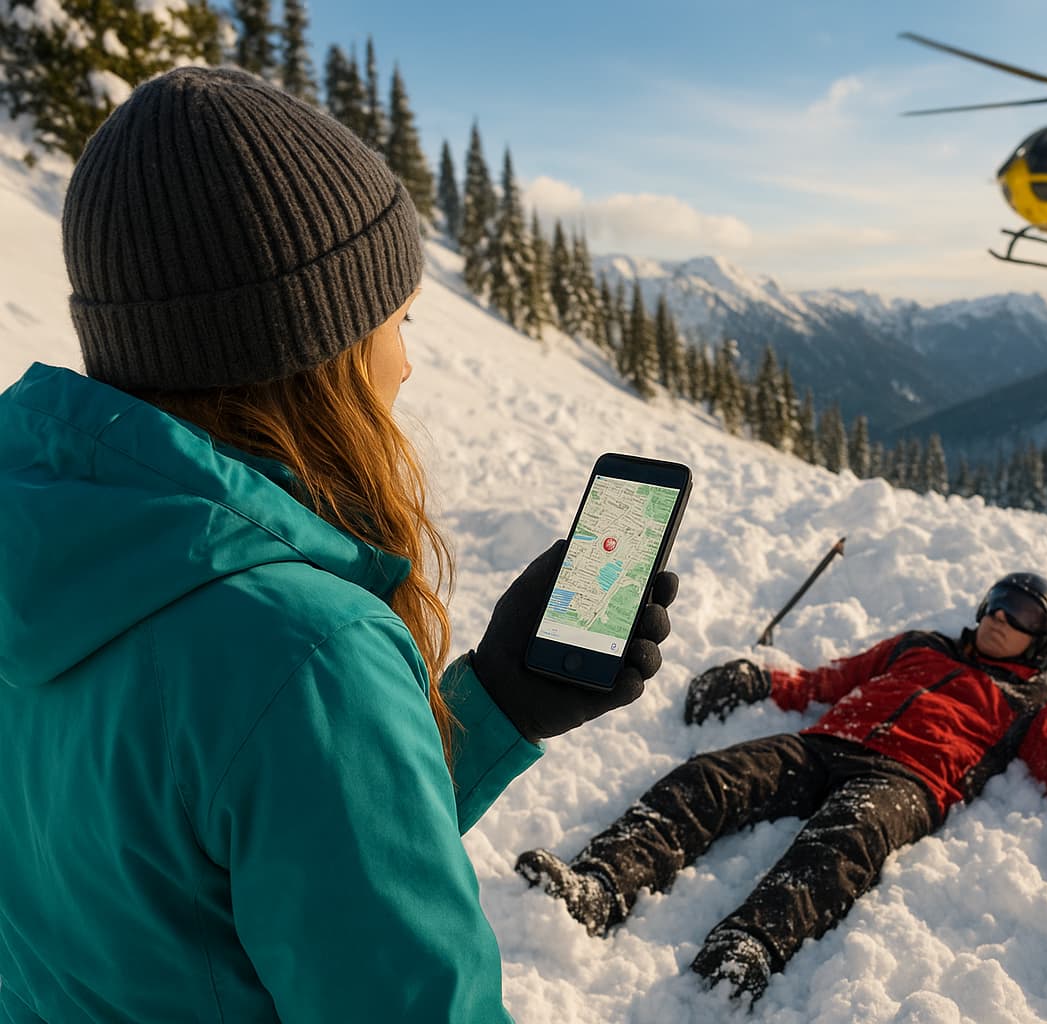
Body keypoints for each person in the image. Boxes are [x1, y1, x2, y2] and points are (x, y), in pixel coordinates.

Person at [0, 67, 677, 1023]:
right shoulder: (306, 655)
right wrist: (360, 697)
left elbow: (209, 879)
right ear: (315, 350)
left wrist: (493, 707)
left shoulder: (34, 553)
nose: (409, 356)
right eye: (397, 319)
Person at [517, 572, 1047, 1005]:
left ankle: (751, 945)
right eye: (999, 602)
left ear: (1044, 638)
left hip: (909, 780)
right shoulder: (919, 646)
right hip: (824, 744)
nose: (1001, 617)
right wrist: (760, 680)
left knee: (844, 842)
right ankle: (599, 884)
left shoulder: (1031, 700)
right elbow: (828, 679)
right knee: (710, 778)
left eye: (1023, 614)